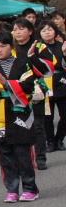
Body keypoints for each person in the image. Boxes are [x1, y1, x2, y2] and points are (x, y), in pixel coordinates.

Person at [0, 31, 39, 202]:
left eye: (3, 45)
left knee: (23, 153)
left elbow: (28, 85)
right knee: (5, 154)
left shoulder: (22, 62)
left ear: (11, 47)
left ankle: (30, 188)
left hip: (19, 113)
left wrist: (8, 84)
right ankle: (12, 188)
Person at [12, 18, 55, 170]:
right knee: (19, 125)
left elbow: (49, 68)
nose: (18, 32)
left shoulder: (39, 46)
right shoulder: (10, 48)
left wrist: (33, 57)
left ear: (30, 31)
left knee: (37, 125)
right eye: (15, 29)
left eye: (21, 29)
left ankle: (40, 157)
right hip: (16, 90)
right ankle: (24, 158)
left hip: (36, 90)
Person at [36, 20, 66, 152]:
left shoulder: (62, 46)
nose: (47, 32)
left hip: (62, 83)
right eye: (43, 30)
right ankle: (50, 141)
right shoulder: (36, 48)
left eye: (49, 29)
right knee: (47, 117)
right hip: (44, 85)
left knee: (64, 116)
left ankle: (59, 139)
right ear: (39, 33)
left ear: (55, 31)